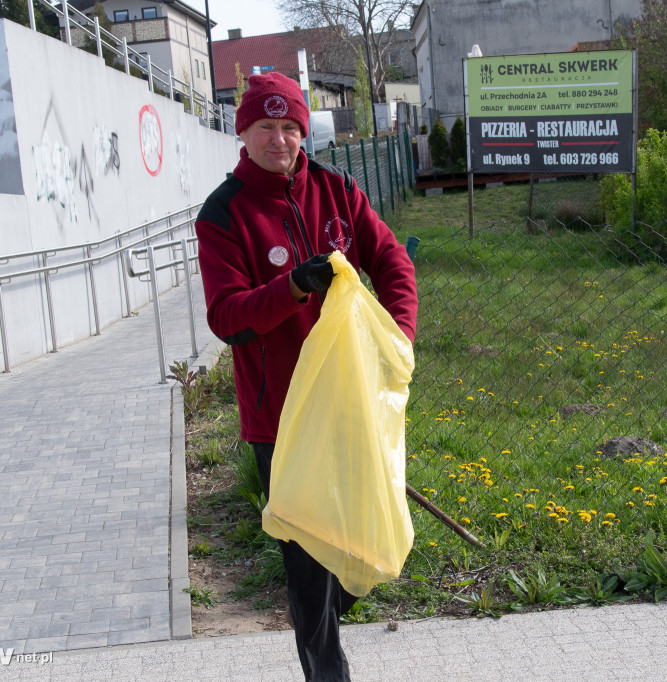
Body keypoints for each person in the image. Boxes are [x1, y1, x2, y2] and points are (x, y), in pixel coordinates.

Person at [194, 71, 417, 681]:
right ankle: (326, 670)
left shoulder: (337, 190)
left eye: (291, 126)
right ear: (243, 132)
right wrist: (290, 288)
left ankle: (337, 605)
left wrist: (396, 339)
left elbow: (392, 261)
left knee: (353, 534)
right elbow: (227, 318)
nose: (280, 139)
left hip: (348, 400)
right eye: (266, 126)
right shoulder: (223, 214)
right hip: (282, 416)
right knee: (305, 558)